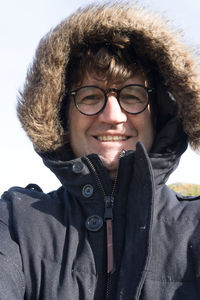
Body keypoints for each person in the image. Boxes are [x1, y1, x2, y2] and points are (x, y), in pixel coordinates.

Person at [1, 2, 200, 300]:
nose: (112, 115)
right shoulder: (16, 222)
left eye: (132, 96)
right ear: (61, 115)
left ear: (157, 115)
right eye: (90, 95)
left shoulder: (195, 226)